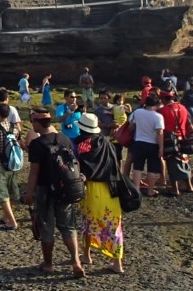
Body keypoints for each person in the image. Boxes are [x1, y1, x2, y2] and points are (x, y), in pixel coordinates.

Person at [24, 109, 85, 278]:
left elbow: (34, 172)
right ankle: (76, 262)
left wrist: (29, 193)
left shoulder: (37, 144)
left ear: (37, 123)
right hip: (65, 188)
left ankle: (48, 264)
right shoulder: (64, 139)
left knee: (46, 227)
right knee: (68, 226)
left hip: (44, 189)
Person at [74, 113, 124, 273]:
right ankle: (117, 264)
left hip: (92, 188)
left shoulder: (83, 144)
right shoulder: (108, 143)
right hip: (111, 187)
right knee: (113, 226)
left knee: (88, 223)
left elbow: (81, 165)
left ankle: (87, 255)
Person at [128, 94, 164, 197]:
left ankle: (136, 189)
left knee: (138, 167)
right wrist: (161, 147)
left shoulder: (138, 112)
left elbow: (131, 126)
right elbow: (159, 133)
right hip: (153, 144)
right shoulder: (158, 116)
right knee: (152, 168)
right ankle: (150, 190)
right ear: (156, 104)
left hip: (139, 142)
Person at [159, 93, 193, 196]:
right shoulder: (183, 108)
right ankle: (189, 185)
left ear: (164, 99)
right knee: (185, 162)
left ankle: (175, 188)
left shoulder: (163, 111)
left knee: (172, 163)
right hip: (183, 139)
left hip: (170, 140)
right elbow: (189, 123)